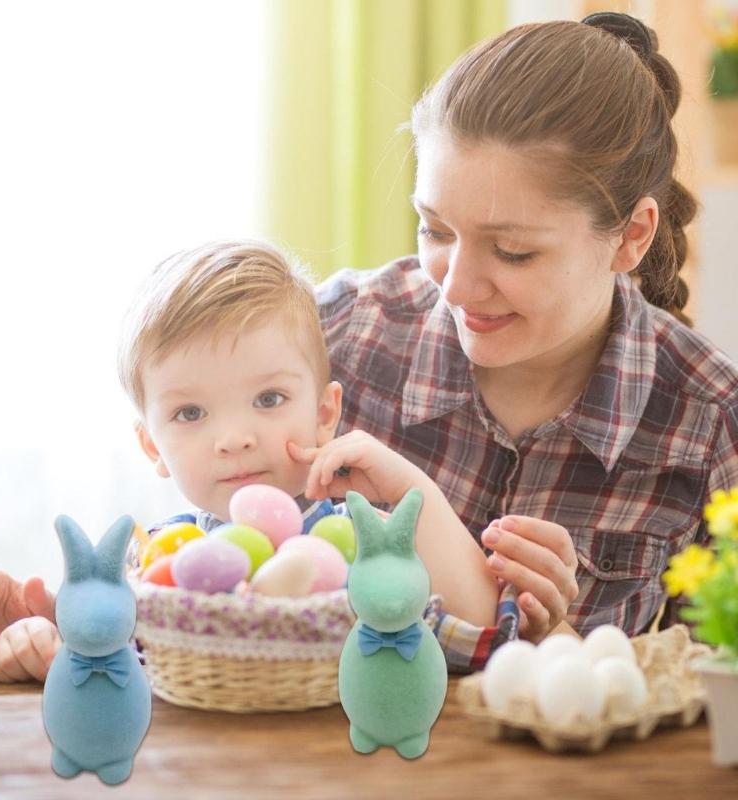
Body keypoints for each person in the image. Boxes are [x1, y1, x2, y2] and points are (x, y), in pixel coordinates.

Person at [316, 11, 738, 662]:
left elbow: (710, 728)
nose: (453, 288)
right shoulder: (338, 337)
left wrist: (561, 646)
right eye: (435, 230)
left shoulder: (710, 428)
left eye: (512, 252)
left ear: (632, 236)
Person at [0, 240, 508, 682]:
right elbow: (97, 654)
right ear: (152, 447)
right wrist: (23, 631)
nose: (233, 439)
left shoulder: (358, 543)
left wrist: (411, 488)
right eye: (190, 414)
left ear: (325, 413)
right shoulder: (154, 561)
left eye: (268, 400)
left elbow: (480, 641)